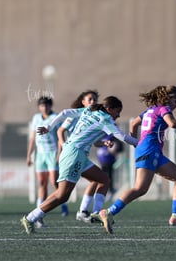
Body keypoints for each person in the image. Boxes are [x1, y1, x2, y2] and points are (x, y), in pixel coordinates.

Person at [20, 97, 138, 234]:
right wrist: (141, 143)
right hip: (75, 154)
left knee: (103, 180)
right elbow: (123, 137)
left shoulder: (89, 110)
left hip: (78, 154)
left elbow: (64, 113)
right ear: (109, 109)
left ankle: (97, 213)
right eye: (118, 111)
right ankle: (30, 218)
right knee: (62, 195)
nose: (118, 115)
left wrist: (49, 126)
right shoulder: (106, 119)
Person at [98, 85, 176, 234]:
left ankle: (175, 216)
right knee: (140, 189)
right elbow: (172, 123)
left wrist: (136, 143)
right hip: (149, 151)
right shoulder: (164, 108)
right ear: (168, 98)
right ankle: (108, 212)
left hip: (151, 152)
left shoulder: (151, 109)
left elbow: (134, 123)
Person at [55, 90, 104, 223]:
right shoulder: (75, 115)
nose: (93, 102)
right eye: (90, 99)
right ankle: (36, 215)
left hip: (82, 155)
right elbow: (60, 130)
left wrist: (105, 142)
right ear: (83, 102)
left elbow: (95, 141)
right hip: (73, 154)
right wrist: (62, 146)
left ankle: (84, 212)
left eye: (95, 99)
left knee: (99, 179)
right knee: (62, 194)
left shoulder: (94, 117)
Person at [26, 96, 68, 228]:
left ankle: (63, 203)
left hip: (52, 153)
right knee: (42, 183)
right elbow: (33, 138)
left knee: (54, 182)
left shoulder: (55, 117)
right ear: (39, 107)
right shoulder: (36, 118)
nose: (45, 108)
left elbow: (61, 135)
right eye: (42, 106)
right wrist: (29, 155)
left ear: (51, 106)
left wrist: (60, 153)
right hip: (40, 155)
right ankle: (39, 214)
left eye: (47, 105)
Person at [96, 136, 123, 201]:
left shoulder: (113, 136)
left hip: (109, 160)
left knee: (109, 177)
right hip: (102, 160)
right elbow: (96, 143)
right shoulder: (100, 134)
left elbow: (121, 147)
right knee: (101, 177)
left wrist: (116, 148)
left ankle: (110, 191)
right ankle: (103, 192)